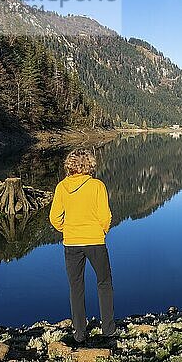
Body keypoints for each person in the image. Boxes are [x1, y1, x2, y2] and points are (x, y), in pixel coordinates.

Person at [49, 148, 115, 346]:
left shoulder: (62, 187)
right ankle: (108, 330)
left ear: (70, 165)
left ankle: (79, 334)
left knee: (76, 287)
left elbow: (54, 218)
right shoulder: (97, 185)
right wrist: (101, 231)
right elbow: (105, 216)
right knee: (104, 283)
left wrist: (67, 230)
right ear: (90, 165)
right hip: (95, 241)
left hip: (71, 243)